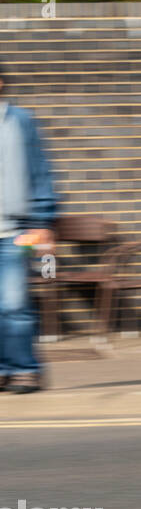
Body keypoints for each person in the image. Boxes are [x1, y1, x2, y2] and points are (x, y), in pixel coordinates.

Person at [0, 63, 58, 394]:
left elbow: (41, 172)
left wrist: (43, 221)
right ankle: (4, 369)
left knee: (14, 302)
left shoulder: (20, 121)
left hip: (17, 231)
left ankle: (25, 369)